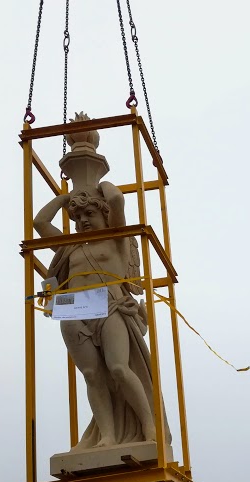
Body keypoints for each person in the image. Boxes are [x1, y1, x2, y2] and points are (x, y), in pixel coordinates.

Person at [34, 182, 167, 449]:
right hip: (74, 312)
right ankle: (107, 435)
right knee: (92, 374)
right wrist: (66, 199)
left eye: (89, 215)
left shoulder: (116, 238)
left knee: (118, 368)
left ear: (104, 215)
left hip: (110, 307)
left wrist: (100, 186)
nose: (83, 220)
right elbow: (40, 222)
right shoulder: (69, 247)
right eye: (78, 217)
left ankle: (148, 425)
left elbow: (117, 200)